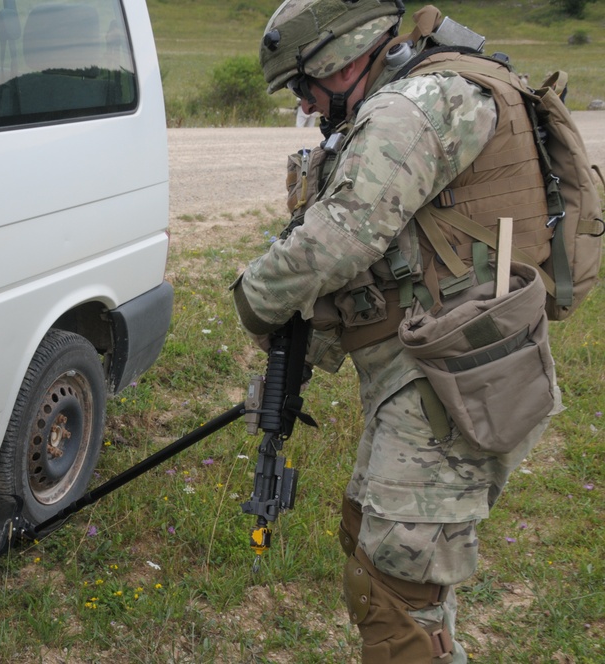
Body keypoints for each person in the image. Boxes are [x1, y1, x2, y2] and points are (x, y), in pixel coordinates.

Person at [231, 1, 563, 662]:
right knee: (376, 551)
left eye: (304, 85)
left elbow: (340, 238)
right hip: (436, 370)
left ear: (343, 56)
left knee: (396, 594)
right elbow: (384, 266)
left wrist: (254, 298)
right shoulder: (414, 99)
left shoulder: (409, 111)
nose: (304, 102)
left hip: (455, 380)